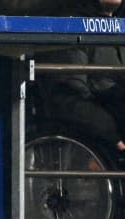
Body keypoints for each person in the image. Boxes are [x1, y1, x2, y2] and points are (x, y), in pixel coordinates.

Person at [36, 1, 125, 165]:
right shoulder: (70, 24)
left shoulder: (120, 25)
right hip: (93, 144)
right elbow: (66, 98)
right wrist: (111, 133)